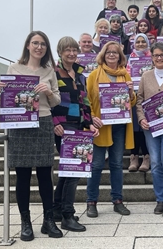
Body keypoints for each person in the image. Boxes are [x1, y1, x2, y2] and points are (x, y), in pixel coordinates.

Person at [0, 31, 63, 241]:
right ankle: (25, 222)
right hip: (20, 124)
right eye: (35, 43)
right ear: (28, 46)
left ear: (46, 49)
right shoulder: (14, 68)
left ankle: (48, 220)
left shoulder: (49, 71)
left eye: (43, 44)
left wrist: (48, 92)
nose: (39, 47)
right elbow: (7, 99)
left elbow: (57, 100)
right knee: (22, 175)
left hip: (43, 121)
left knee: (44, 173)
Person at [51, 36, 99, 232]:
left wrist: (89, 123)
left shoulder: (80, 74)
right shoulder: (53, 73)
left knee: (67, 171)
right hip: (62, 127)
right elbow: (49, 102)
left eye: (74, 50)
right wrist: (54, 123)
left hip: (78, 127)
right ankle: (68, 215)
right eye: (67, 50)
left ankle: (57, 209)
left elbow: (84, 102)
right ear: (60, 52)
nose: (71, 53)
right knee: (74, 171)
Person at [86, 41, 136, 218]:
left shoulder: (125, 76)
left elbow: (133, 102)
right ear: (103, 55)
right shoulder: (93, 75)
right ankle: (91, 202)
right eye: (109, 53)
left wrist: (130, 93)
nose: (112, 55)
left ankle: (117, 200)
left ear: (121, 56)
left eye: (115, 53)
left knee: (116, 164)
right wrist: (92, 118)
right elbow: (88, 101)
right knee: (97, 165)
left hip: (119, 126)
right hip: (100, 127)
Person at [136, 42, 163, 217]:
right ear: (152, 57)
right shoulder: (145, 76)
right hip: (151, 126)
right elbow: (139, 100)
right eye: (156, 55)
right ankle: (160, 199)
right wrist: (140, 118)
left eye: (162, 55)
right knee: (155, 162)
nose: (159, 58)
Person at [126, 33, 151, 172]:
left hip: (148, 96)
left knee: (145, 127)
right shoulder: (129, 60)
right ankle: (133, 156)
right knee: (134, 128)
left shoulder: (152, 58)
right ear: (134, 44)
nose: (140, 44)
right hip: (133, 97)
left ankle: (146, 157)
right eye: (138, 42)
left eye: (143, 42)